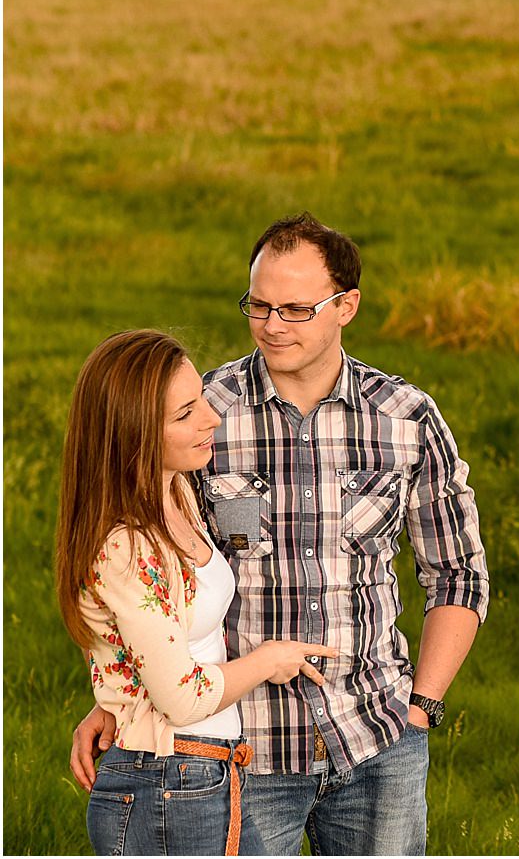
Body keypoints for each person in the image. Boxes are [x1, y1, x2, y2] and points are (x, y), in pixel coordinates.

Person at [71, 214, 491, 855]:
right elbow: (135, 568)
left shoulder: (406, 420)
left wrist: (420, 710)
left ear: (346, 306)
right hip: (244, 754)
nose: (272, 325)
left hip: (376, 738)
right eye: (259, 305)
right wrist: (121, 696)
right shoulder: (204, 415)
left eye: (295, 309)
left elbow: (458, 573)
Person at [57, 329, 338, 855]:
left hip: (202, 773)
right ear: (133, 434)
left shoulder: (178, 493)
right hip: (167, 781)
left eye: (202, 402)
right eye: (185, 414)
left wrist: (116, 698)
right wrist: (269, 661)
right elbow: (181, 698)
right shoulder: (126, 546)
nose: (211, 419)